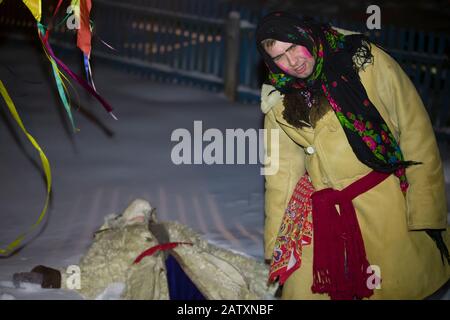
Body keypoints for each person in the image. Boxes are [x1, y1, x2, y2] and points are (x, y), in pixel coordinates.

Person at [256, 11, 450, 300]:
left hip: (384, 205)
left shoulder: (362, 61)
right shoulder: (279, 96)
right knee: (304, 290)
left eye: (294, 46)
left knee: (392, 288)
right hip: (322, 214)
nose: (292, 61)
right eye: (280, 57)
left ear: (306, 36)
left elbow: (416, 133)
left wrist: (425, 210)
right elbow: (281, 173)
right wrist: (276, 242)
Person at [12, 199, 277, 300]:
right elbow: (92, 272)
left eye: (144, 213)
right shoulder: (115, 241)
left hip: (197, 274)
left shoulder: (172, 231)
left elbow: (214, 254)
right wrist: (52, 277)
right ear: (123, 221)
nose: (140, 215)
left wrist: (262, 273)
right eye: (134, 215)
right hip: (153, 282)